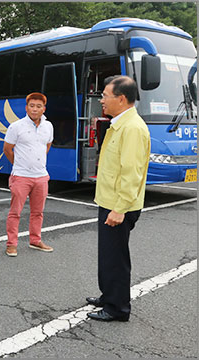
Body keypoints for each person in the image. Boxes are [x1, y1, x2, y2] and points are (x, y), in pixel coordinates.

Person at [86, 75, 150, 322]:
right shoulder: (120, 123)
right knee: (108, 255)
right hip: (110, 201)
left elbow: (131, 173)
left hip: (118, 206)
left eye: (105, 95)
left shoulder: (132, 128)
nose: (101, 99)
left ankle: (117, 308)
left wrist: (120, 208)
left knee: (116, 258)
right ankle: (108, 295)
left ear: (121, 99)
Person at [2, 92, 54, 257]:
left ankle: (35, 240)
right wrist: (19, 164)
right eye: (32, 106)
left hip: (41, 176)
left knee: (38, 212)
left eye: (38, 106)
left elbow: (47, 146)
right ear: (26, 107)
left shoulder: (48, 126)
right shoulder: (16, 126)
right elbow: (7, 149)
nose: (35, 109)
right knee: (15, 212)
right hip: (21, 176)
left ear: (43, 108)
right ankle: (11, 244)